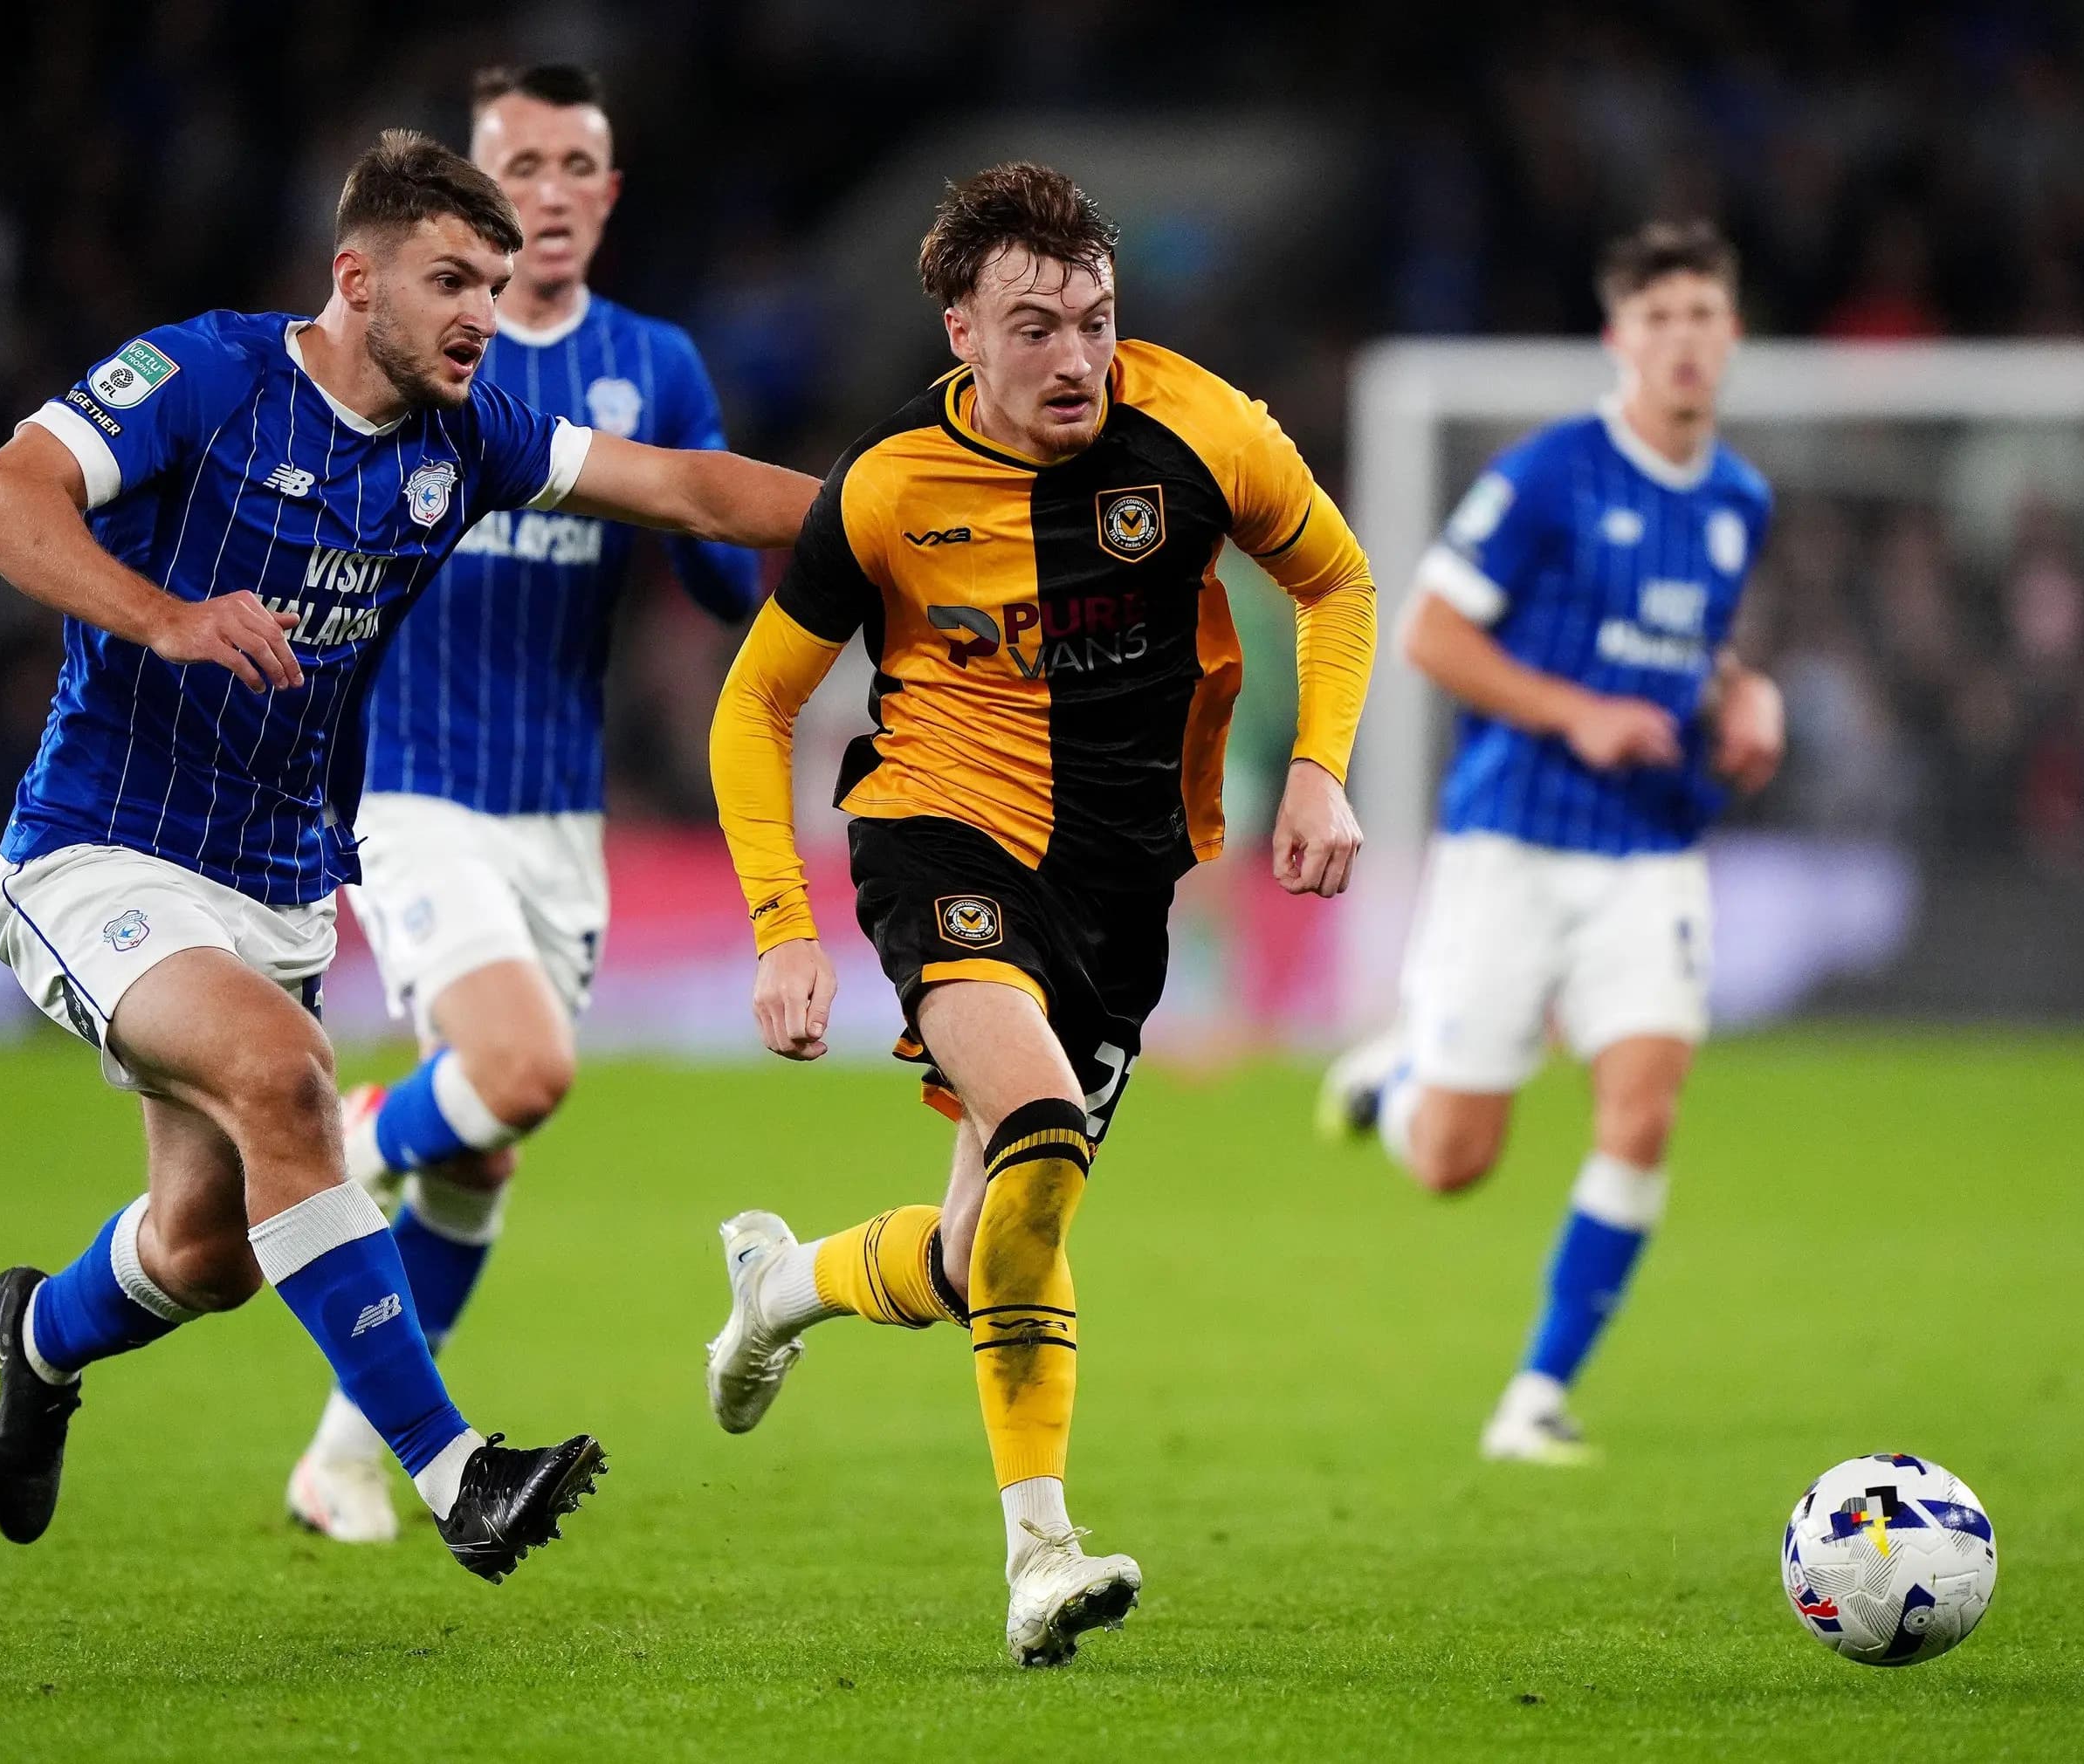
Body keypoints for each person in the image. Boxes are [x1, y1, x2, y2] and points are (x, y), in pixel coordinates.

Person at [0, 130, 815, 1582]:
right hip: (100, 850)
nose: (486, 310)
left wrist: (926, 510)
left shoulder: (465, 436)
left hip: (280, 880)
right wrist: (164, 613)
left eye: (495, 280)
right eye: (451, 280)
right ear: (357, 279)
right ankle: (455, 1468)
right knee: (287, 1077)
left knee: (209, 1249)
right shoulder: (207, 377)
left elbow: (687, 491)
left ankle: (38, 1335)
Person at [698, 163, 1378, 1665]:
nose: (1074, 357)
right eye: (1033, 326)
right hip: (940, 835)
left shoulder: (1201, 427)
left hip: (1125, 887)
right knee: (1045, 1133)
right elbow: (755, 706)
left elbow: (1336, 583)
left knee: (980, 1247)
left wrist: (1321, 769)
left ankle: (781, 1286)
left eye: (1094, 318)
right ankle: (1040, 1552)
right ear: (962, 331)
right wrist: (779, 923)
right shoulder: (887, 489)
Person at [285, 64, 766, 1547]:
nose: (550, 191)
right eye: (522, 166)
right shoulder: (430, 354)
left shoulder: (655, 364)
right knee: (517, 1067)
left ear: (609, 196)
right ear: (472, 198)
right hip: (414, 791)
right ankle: (332, 1135)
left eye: (577, 166)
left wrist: (759, 578)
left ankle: (341, 1459)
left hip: (561, 815)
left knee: (485, 1148)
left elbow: (715, 570)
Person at [1316, 219, 1785, 1466]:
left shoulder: (1740, 500)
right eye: (1659, 318)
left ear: (1731, 335)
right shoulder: (1547, 474)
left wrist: (1747, 698)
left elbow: (1699, 652)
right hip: (1513, 842)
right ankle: (1401, 1078)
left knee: (1641, 1114)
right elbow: (1429, 633)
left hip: (1651, 850)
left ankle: (1536, 1392)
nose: (1683, 341)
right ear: (1617, 338)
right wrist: (1576, 711)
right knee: (1454, 1162)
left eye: (1703, 316)